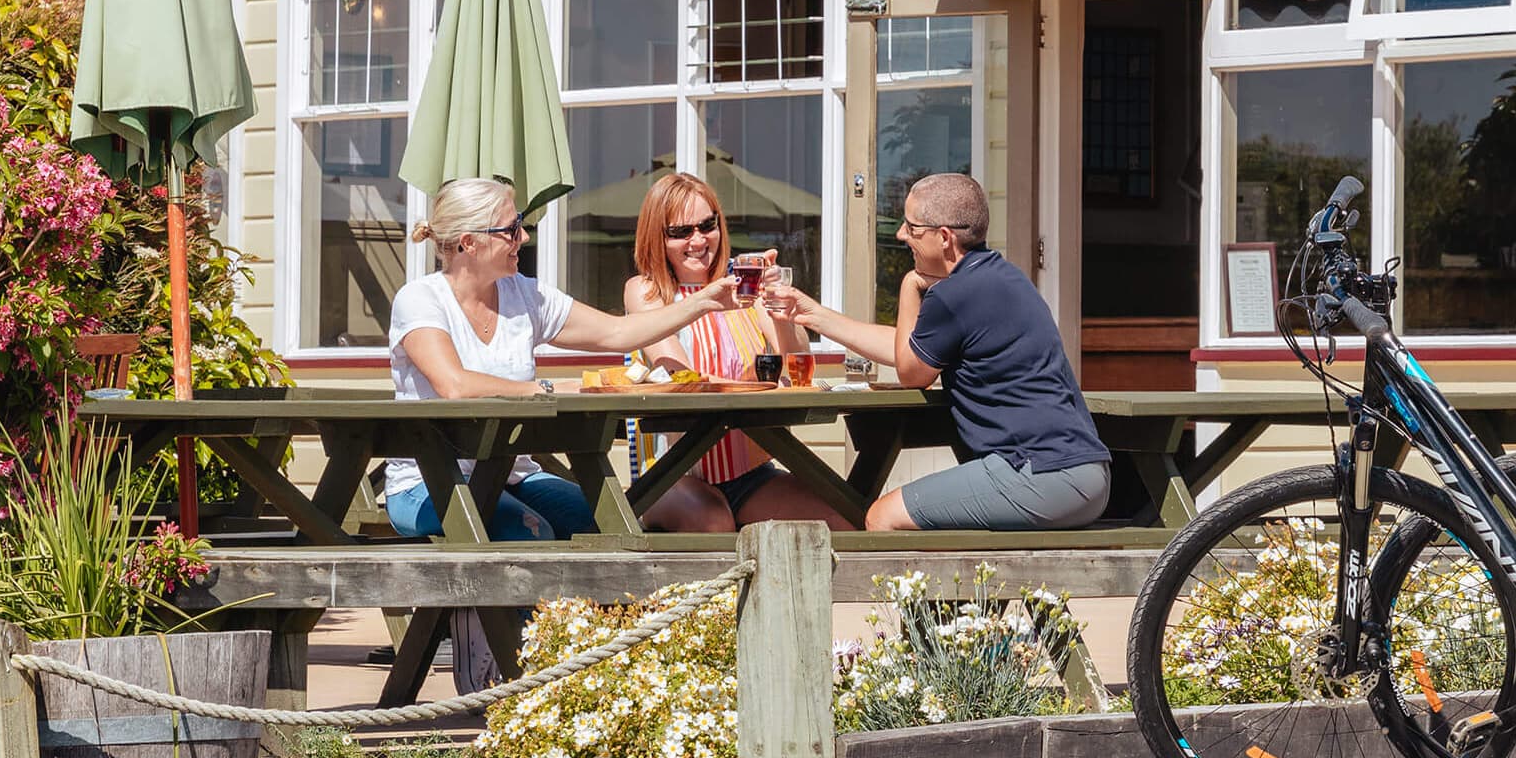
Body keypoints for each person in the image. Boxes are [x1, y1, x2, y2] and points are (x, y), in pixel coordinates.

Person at [383, 176, 743, 543]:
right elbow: (455, 386)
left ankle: (593, 604)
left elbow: (616, 333)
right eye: (511, 229)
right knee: (528, 532)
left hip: (514, 474)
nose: (523, 238)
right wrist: (546, 389)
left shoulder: (525, 294)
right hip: (427, 482)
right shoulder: (420, 299)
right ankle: (500, 605)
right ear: (469, 243)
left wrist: (703, 302)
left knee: (612, 528)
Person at [765, 173, 1110, 532]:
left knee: (882, 519)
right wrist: (811, 315)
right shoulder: (1001, 277)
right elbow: (910, 349)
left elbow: (911, 372)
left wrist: (909, 284)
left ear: (943, 237)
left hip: (1041, 475)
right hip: (1085, 475)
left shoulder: (954, 294)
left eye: (911, 227)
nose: (900, 235)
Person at [621, 172, 853, 532]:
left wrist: (779, 303)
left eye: (707, 225)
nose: (698, 240)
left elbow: (796, 367)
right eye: (681, 232)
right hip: (673, 474)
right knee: (714, 522)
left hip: (749, 475)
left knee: (844, 516)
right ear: (658, 238)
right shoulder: (647, 291)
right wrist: (760, 390)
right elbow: (684, 378)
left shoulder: (745, 284)